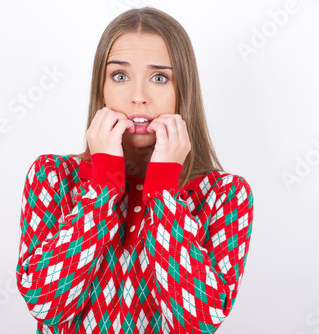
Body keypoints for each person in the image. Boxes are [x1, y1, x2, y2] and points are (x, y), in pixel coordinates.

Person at [16, 6, 254, 334]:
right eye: (120, 76)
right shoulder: (53, 176)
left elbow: (197, 322)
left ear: (181, 90)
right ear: (101, 88)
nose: (138, 97)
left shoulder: (225, 195)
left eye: (159, 77)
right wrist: (104, 184)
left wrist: (164, 189)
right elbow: (47, 305)